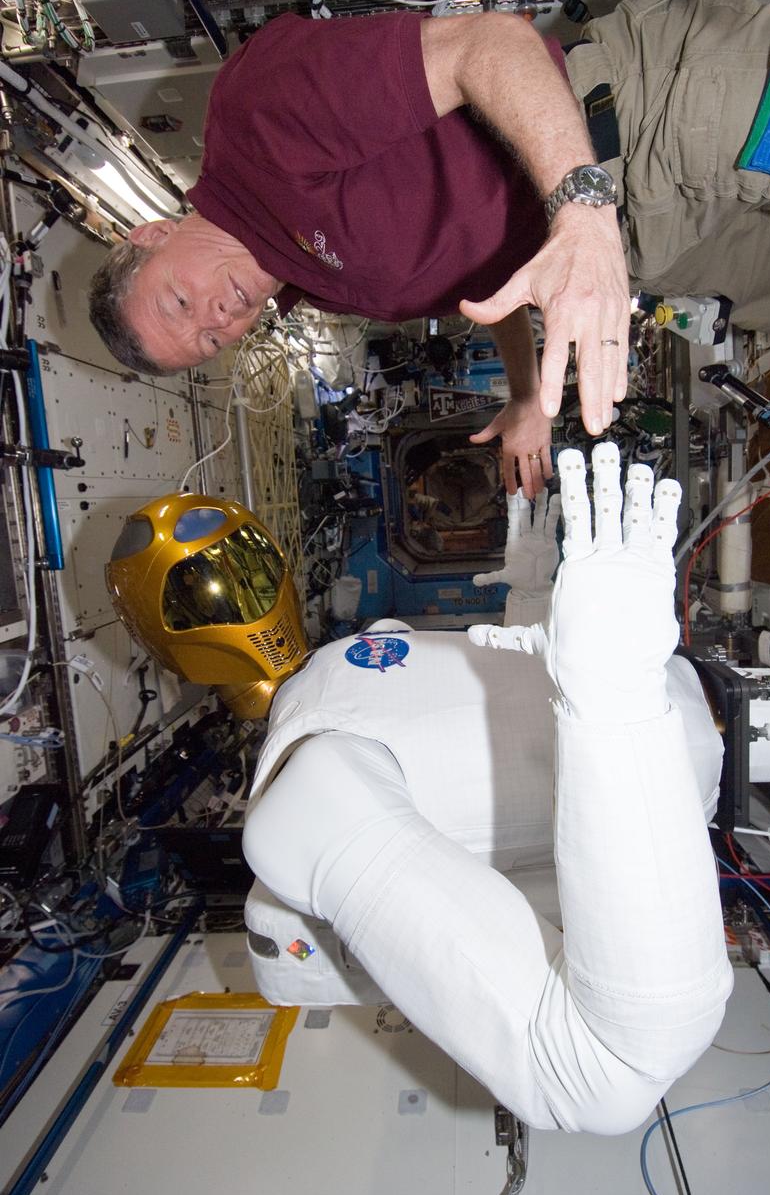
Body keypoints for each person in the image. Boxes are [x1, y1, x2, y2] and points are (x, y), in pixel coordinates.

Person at [107, 445, 735, 1132]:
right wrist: (617, 701)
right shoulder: (307, 797)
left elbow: (473, 717)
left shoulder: (342, 660)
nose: (247, 590)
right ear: (181, 645)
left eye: (248, 561)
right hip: (673, 761)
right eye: (208, 591)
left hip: (684, 689)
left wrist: (534, 604)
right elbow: (603, 1075)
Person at [89, 0, 770, 497]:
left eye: (178, 305)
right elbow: (485, 286)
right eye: (211, 342)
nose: (217, 321)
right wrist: (524, 396)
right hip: (655, 242)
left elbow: (491, 46)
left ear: (150, 235)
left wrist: (580, 212)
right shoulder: (311, 279)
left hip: (657, 117)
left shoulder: (252, 124)